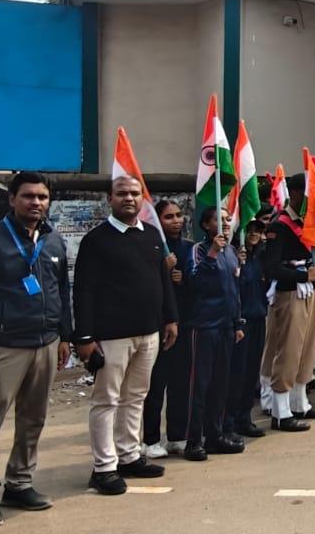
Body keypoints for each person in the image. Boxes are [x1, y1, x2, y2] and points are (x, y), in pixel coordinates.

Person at [0, 172, 71, 528]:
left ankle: (19, 483)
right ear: (12, 199)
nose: (36, 202)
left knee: (33, 418)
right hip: (2, 345)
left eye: (42, 197)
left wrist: (64, 336)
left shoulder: (53, 241)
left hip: (45, 343)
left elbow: (61, 292)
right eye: (28, 196)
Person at [74, 176, 178, 495]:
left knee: (136, 396)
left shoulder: (152, 236)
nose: (129, 198)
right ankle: (104, 467)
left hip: (149, 333)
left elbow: (163, 281)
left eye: (135, 193)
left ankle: (129, 455)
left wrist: (171, 318)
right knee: (107, 400)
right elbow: (84, 290)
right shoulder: (96, 240)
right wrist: (84, 337)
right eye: (122, 193)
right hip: (111, 336)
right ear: (110, 198)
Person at [260, 175, 315, 432]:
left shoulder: (307, 223)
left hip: (309, 291)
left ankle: (300, 402)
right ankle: (280, 411)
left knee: (306, 349)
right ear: (296, 193)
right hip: (291, 292)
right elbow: (271, 267)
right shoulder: (280, 226)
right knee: (288, 350)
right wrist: (303, 276)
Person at [181, 207, 246, 461]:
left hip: (226, 327)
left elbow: (234, 290)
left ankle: (215, 435)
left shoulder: (231, 252)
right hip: (204, 326)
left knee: (221, 384)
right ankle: (193, 440)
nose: (226, 223)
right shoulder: (198, 250)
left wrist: (237, 323)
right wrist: (212, 254)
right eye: (219, 220)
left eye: (228, 219)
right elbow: (195, 281)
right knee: (200, 385)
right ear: (206, 225)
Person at [142, 200, 192, 459]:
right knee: (155, 385)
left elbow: (201, 283)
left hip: (184, 323)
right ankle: (150, 439)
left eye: (179, 215)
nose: (176, 221)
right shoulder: (151, 249)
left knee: (180, 383)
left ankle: (177, 435)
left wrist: (184, 279)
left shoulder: (190, 248)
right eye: (169, 216)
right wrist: (163, 269)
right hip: (157, 325)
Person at [225, 219, 268, 439]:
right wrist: (238, 267)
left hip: (259, 317)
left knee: (251, 372)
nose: (253, 234)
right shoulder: (232, 256)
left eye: (257, 230)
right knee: (237, 374)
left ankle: (244, 418)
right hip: (241, 321)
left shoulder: (259, 256)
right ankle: (230, 422)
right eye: (249, 230)